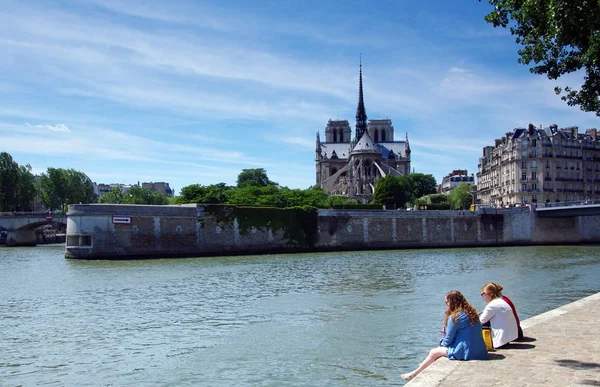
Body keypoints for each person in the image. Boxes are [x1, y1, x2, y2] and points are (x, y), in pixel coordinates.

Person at [401, 290, 488, 381]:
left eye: (446, 302)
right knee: (436, 352)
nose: (446, 304)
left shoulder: (455, 317)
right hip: (480, 351)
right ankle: (421, 367)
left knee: (433, 352)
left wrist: (440, 345)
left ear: (452, 302)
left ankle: (414, 373)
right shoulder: (472, 313)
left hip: (467, 352)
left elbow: (447, 340)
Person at [479, 282, 521, 348]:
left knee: (476, 326)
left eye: (483, 294)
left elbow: (480, 321)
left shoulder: (491, 305)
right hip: (511, 336)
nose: (482, 297)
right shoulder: (502, 301)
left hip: (501, 341)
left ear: (491, 294)